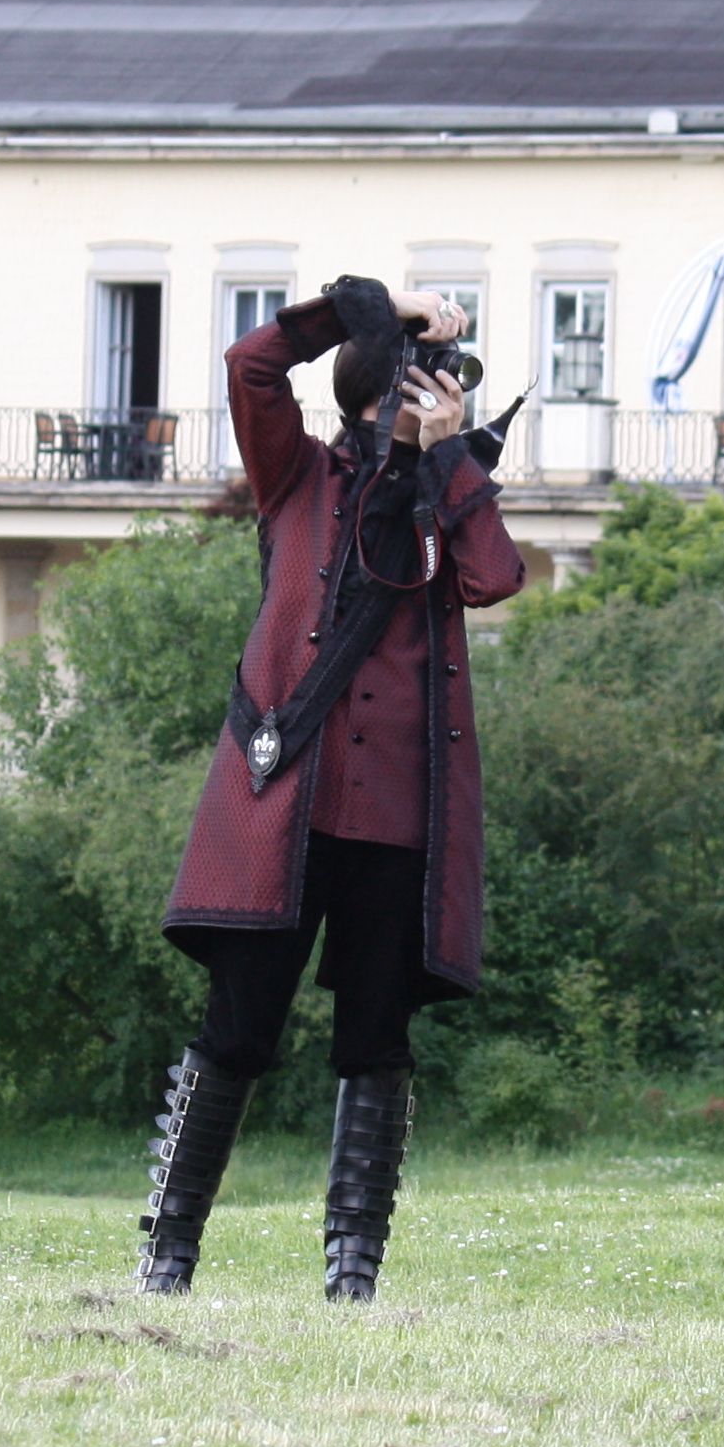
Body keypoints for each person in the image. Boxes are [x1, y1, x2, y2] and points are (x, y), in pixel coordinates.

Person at [139, 276, 524, 1301]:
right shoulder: (299, 475)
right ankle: (168, 1250)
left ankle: (354, 1269)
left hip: (397, 817)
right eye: (417, 378)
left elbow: (494, 578)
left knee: (377, 1042)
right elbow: (252, 365)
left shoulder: (447, 486)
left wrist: (449, 457)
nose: (436, 391)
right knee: (236, 1030)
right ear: (374, 387)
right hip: (284, 807)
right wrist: (374, 304)